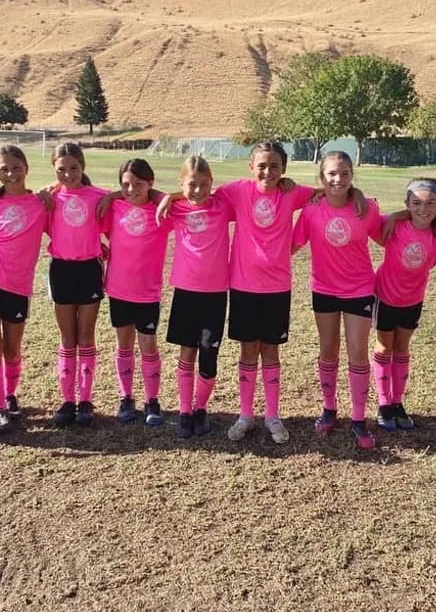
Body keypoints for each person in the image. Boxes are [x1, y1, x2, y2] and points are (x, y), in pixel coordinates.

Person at [215, 141, 331, 445]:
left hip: (277, 287)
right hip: (242, 285)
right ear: (251, 167)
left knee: (271, 351)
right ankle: (244, 416)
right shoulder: (238, 190)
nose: (268, 171)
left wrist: (358, 196)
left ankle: (272, 416)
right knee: (247, 350)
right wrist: (165, 198)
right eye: (262, 165)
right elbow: (199, 193)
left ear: (284, 170)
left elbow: (326, 192)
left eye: (275, 166)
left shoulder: (291, 192)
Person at [292, 152, 382, 448]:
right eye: (332, 174)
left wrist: (406, 215)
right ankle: (329, 409)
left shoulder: (365, 208)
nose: (338, 179)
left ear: (351, 175)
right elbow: (292, 244)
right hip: (324, 289)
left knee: (358, 352)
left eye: (344, 173)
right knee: (328, 350)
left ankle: (358, 419)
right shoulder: (311, 210)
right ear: (322, 177)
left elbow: (387, 234)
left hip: (358, 289)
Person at [0, 145, 47, 435]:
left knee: (12, 349)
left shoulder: (40, 202)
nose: (11, 173)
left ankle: (11, 394)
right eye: (4, 169)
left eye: (16, 167)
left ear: (26, 167)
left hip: (18, 287)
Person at [162, 156, 233, 439]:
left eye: (204, 184)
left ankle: (201, 407)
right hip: (185, 292)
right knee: (186, 352)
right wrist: (171, 196)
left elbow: (252, 192)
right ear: (182, 184)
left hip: (215, 294)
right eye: (191, 185)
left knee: (209, 354)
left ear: (212, 184)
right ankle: (184, 411)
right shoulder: (176, 208)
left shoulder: (223, 206)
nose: (198, 190)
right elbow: (145, 194)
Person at [373, 178, 436, 432]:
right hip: (384, 296)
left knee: (402, 348)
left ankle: (397, 402)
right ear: (407, 203)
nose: (423, 209)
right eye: (415, 203)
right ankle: (384, 404)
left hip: (413, 299)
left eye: (430, 203)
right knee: (385, 347)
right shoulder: (393, 226)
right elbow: (364, 213)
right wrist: (397, 215)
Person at [102, 159, 173, 426]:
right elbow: (89, 223)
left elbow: (190, 197)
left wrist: (160, 196)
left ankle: (152, 400)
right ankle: (126, 397)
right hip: (119, 289)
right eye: (125, 185)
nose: (131, 189)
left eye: (139, 184)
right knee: (123, 345)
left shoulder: (162, 211)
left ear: (150, 183)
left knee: (148, 346)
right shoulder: (114, 208)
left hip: (148, 292)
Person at [46, 143, 108, 429]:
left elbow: (121, 212)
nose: (68, 174)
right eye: (61, 169)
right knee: (67, 338)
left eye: (73, 168)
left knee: (86, 336)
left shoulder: (99, 197)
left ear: (83, 167)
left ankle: (85, 400)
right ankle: (67, 400)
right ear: (54, 170)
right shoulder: (49, 198)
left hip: (89, 270)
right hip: (61, 270)